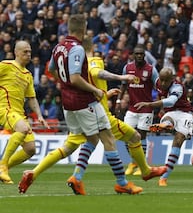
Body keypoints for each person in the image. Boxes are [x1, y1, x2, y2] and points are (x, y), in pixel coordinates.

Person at [18, 39, 167, 194]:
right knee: (134, 137)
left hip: (78, 110)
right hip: (98, 113)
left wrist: (104, 94)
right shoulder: (93, 60)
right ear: (93, 48)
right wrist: (121, 78)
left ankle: (38, 173)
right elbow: (96, 73)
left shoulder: (73, 64)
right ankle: (143, 171)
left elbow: (79, 79)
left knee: (72, 146)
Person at [135, 68, 193, 187]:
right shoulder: (158, 82)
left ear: (172, 79)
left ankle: (164, 177)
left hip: (185, 113)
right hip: (170, 113)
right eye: (161, 80)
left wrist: (149, 104)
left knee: (178, 140)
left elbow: (171, 101)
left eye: (165, 81)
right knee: (167, 119)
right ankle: (167, 125)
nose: (162, 83)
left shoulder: (178, 87)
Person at [0, 41, 49, 184]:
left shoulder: (28, 74)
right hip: (5, 109)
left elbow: (32, 98)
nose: (28, 55)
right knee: (22, 128)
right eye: (25, 52)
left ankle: (3, 167)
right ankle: (3, 165)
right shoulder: (6, 66)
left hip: (19, 113)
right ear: (17, 52)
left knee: (30, 149)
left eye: (29, 52)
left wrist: (39, 116)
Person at [116, 44, 159, 176]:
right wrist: (118, 101)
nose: (139, 56)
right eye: (137, 54)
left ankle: (142, 165)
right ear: (133, 55)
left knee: (142, 136)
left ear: (144, 55)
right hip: (132, 108)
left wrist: (159, 104)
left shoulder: (151, 70)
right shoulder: (127, 68)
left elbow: (159, 87)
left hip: (146, 108)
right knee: (126, 135)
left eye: (141, 54)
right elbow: (123, 86)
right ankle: (133, 162)